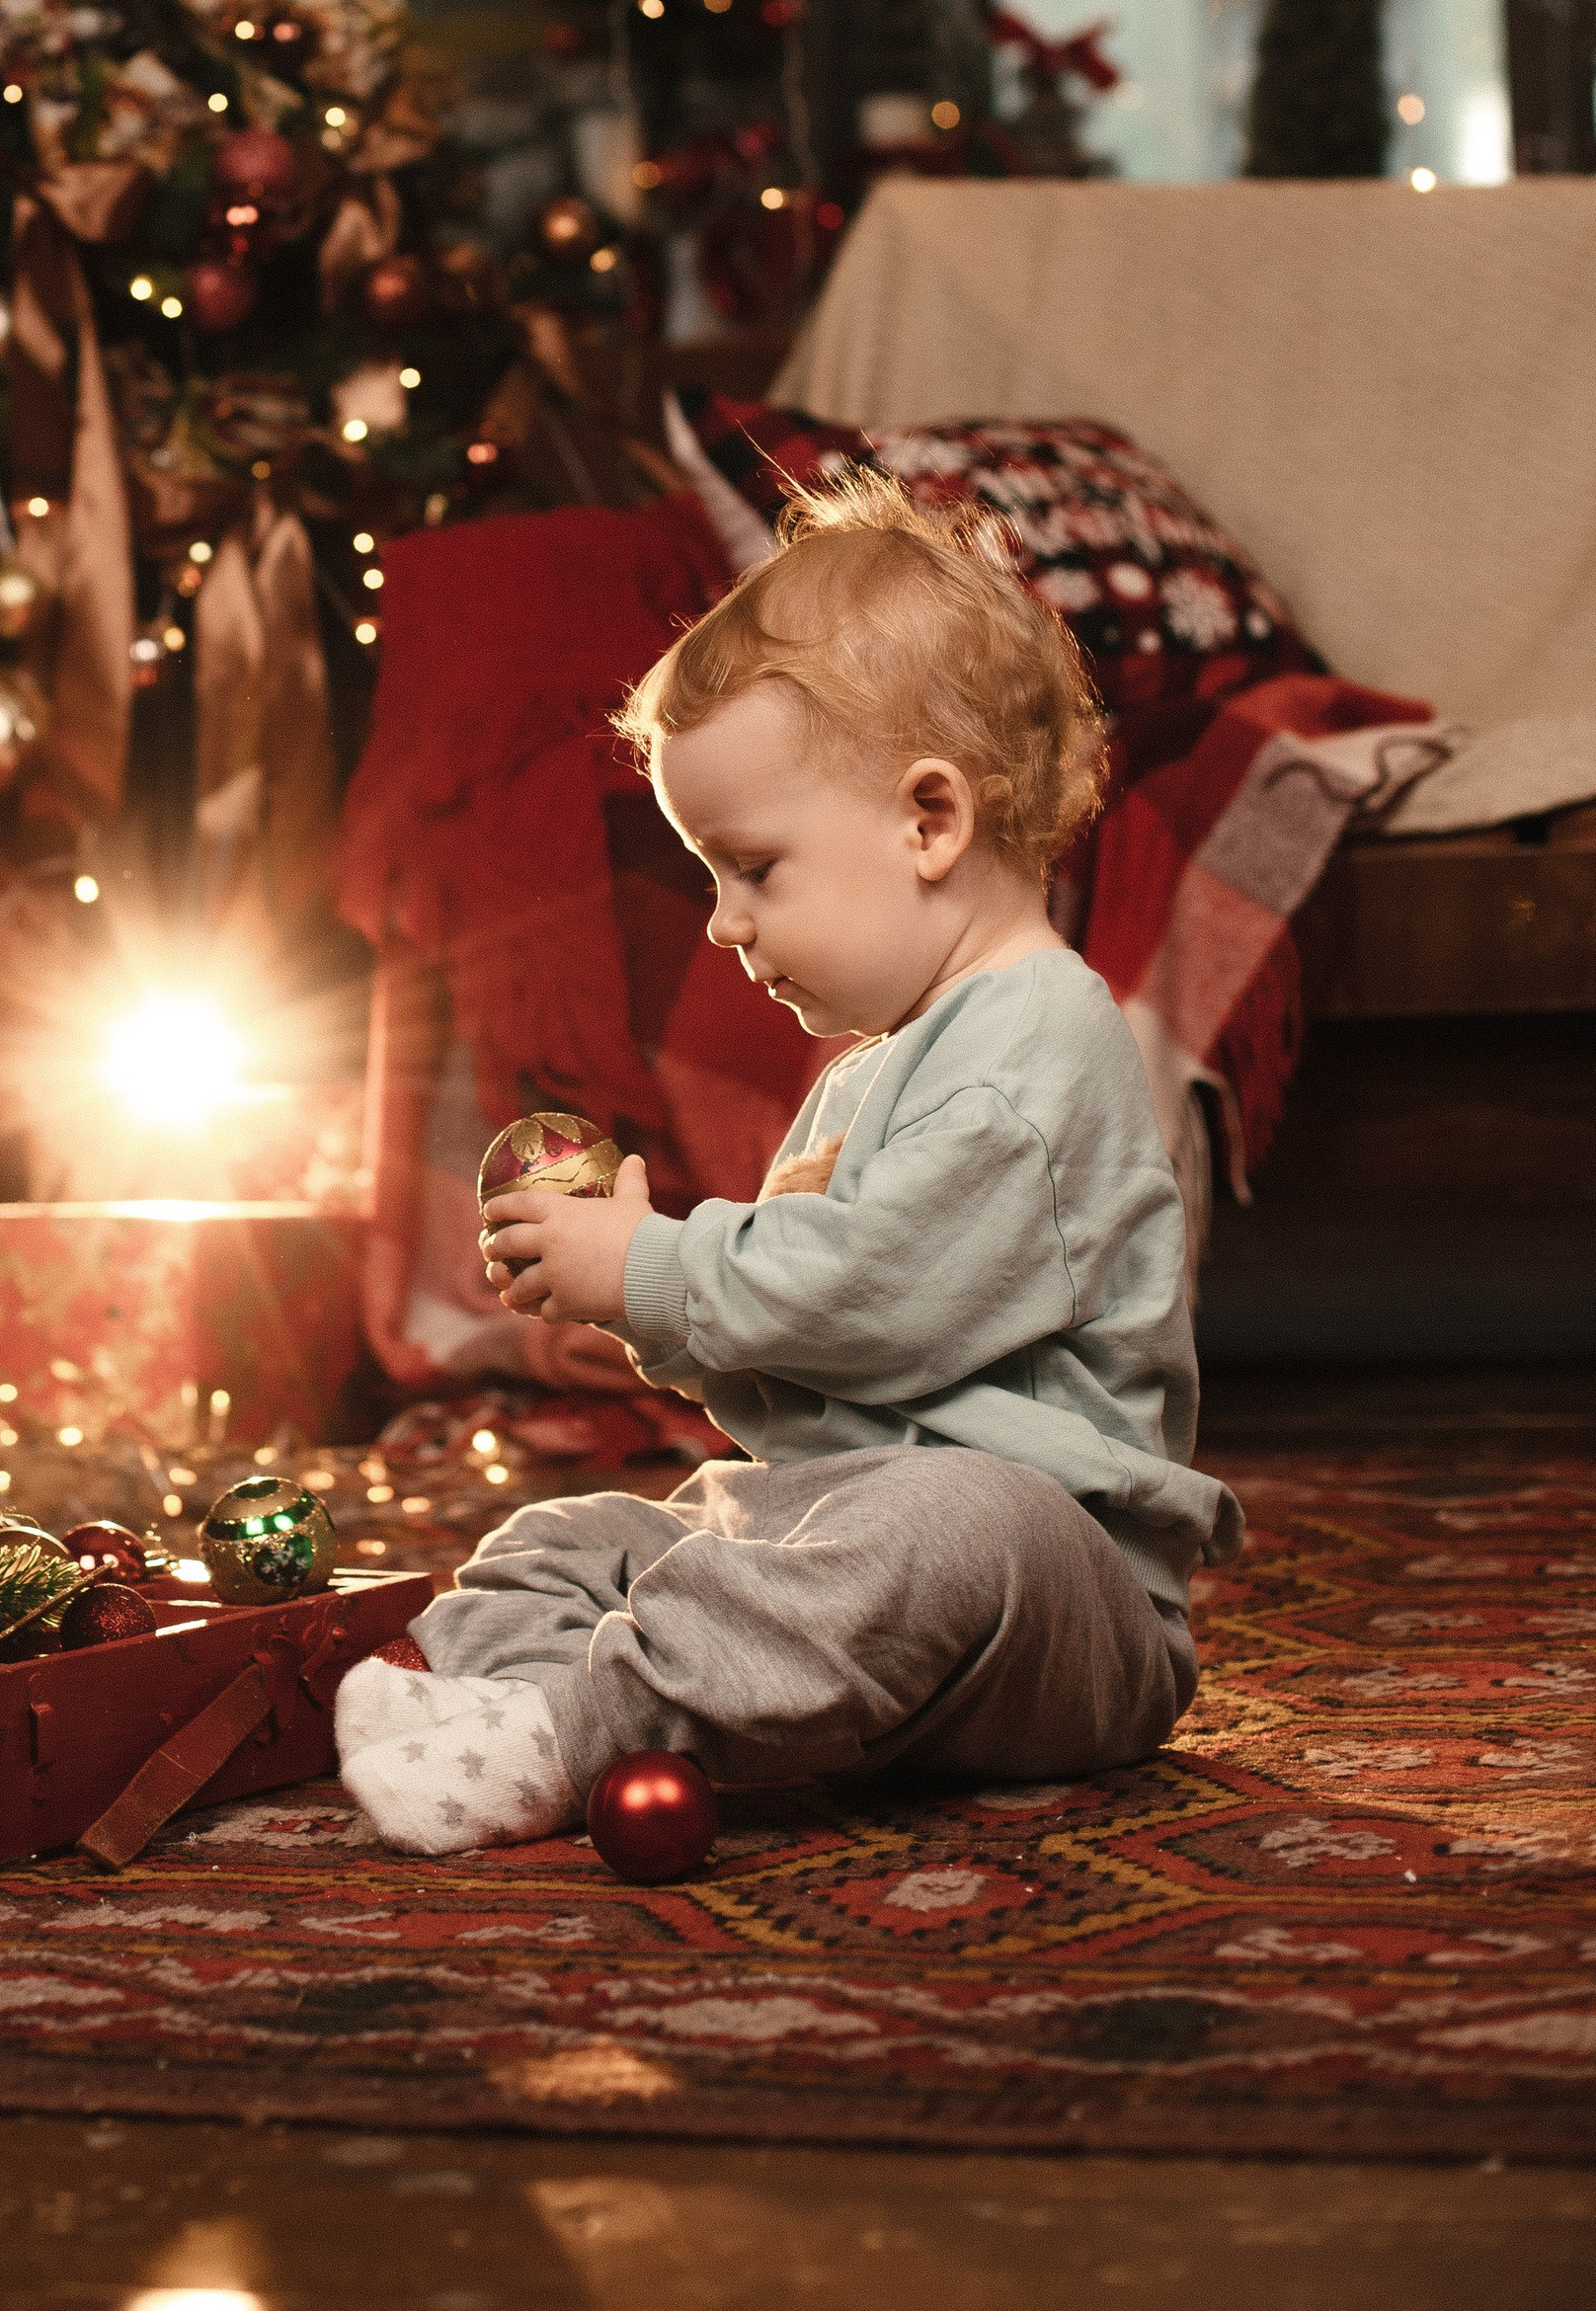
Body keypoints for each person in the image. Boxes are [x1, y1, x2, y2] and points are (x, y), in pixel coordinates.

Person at [335, 473, 1243, 1855]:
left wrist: (652, 1270)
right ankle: (503, 1699)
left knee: (949, 1526)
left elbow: (869, 1294)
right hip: (856, 1523)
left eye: (753, 869)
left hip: (1062, 1597)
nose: (720, 925)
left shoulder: (1038, 1040)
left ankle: (572, 1734)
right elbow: (813, 1361)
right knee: (566, 1539)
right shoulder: (872, 1068)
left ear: (929, 822)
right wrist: (643, 1299)